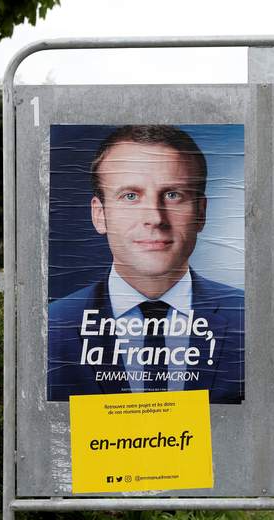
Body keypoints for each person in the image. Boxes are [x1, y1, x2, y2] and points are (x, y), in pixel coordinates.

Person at [48, 125, 244, 403]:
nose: (154, 217)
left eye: (173, 195)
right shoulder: (52, 327)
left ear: (201, 213)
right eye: (130, 196)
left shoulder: (251, 322)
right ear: (100, 215)